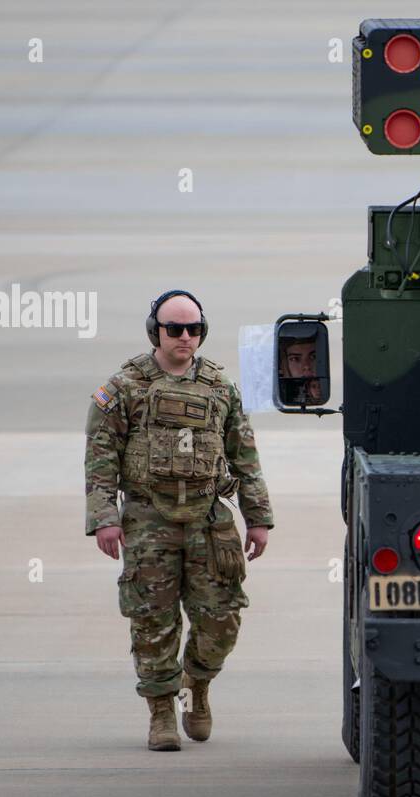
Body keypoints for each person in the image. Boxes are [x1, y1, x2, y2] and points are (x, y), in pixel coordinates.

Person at [84, 289, 272, 750]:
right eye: (175, 329)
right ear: (156, 331)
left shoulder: (219, 386)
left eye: (194, 329)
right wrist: (104, 517)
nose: (185, 337)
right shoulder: (127, 386)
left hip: (208, 518)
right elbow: (100, 454)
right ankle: (162, 711)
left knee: (222, 619)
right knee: (152, 621)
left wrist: (258, 517)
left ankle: (198, 685)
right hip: (149, 517)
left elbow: (244, 455)